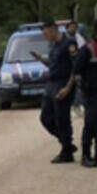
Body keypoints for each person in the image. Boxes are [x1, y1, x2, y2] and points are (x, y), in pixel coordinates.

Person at [62, 18, 97, 167]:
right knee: (91, 124)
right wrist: (83, 88)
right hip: (93, 93)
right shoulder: (88, 48)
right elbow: (77, 70)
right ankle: (86, 155)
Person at [32, 21, 79, 163]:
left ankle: (66, 151)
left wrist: (68, 87)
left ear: (53, 31)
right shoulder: (53, 45)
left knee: (62, 118)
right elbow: (52, 64)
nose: (45, 36)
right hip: (51, 83)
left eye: (46, 33)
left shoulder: (69, 43)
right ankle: (67, 143)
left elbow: (75, 66)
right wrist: (40, 59)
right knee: (45, 117)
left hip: (63, 83)